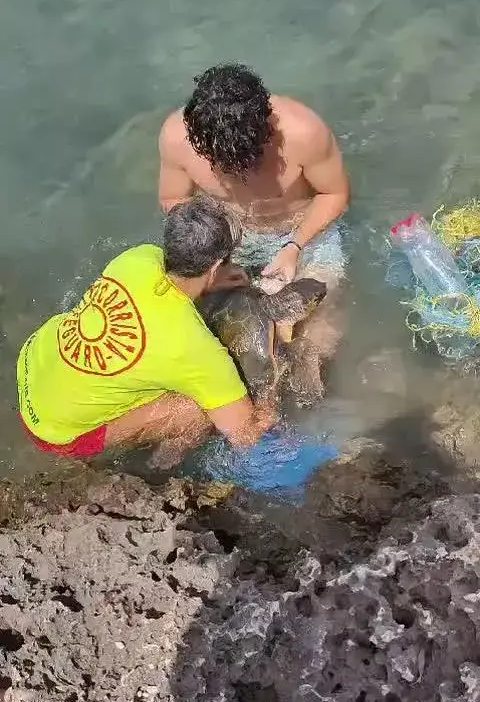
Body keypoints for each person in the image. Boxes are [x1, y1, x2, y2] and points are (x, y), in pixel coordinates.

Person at [17, 197, 276, 464]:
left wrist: (211, 282)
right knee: (199, 409)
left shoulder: (139, 258)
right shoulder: (196, 352)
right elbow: (245, 437)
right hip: (53, 431)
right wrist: (270, 396)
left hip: (34, 360)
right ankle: (158, 467)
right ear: (215, 266)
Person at [158, 63, 350, 402]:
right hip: (228, 237)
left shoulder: (303, 132)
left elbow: (334, 194)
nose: (237, 172)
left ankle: (309, 401)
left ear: (267, 125)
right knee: (198, 329)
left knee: (318, 329)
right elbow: (174, 200)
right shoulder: (176, 138)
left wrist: (294, 247)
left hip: (302, 232)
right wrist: (216, 263)